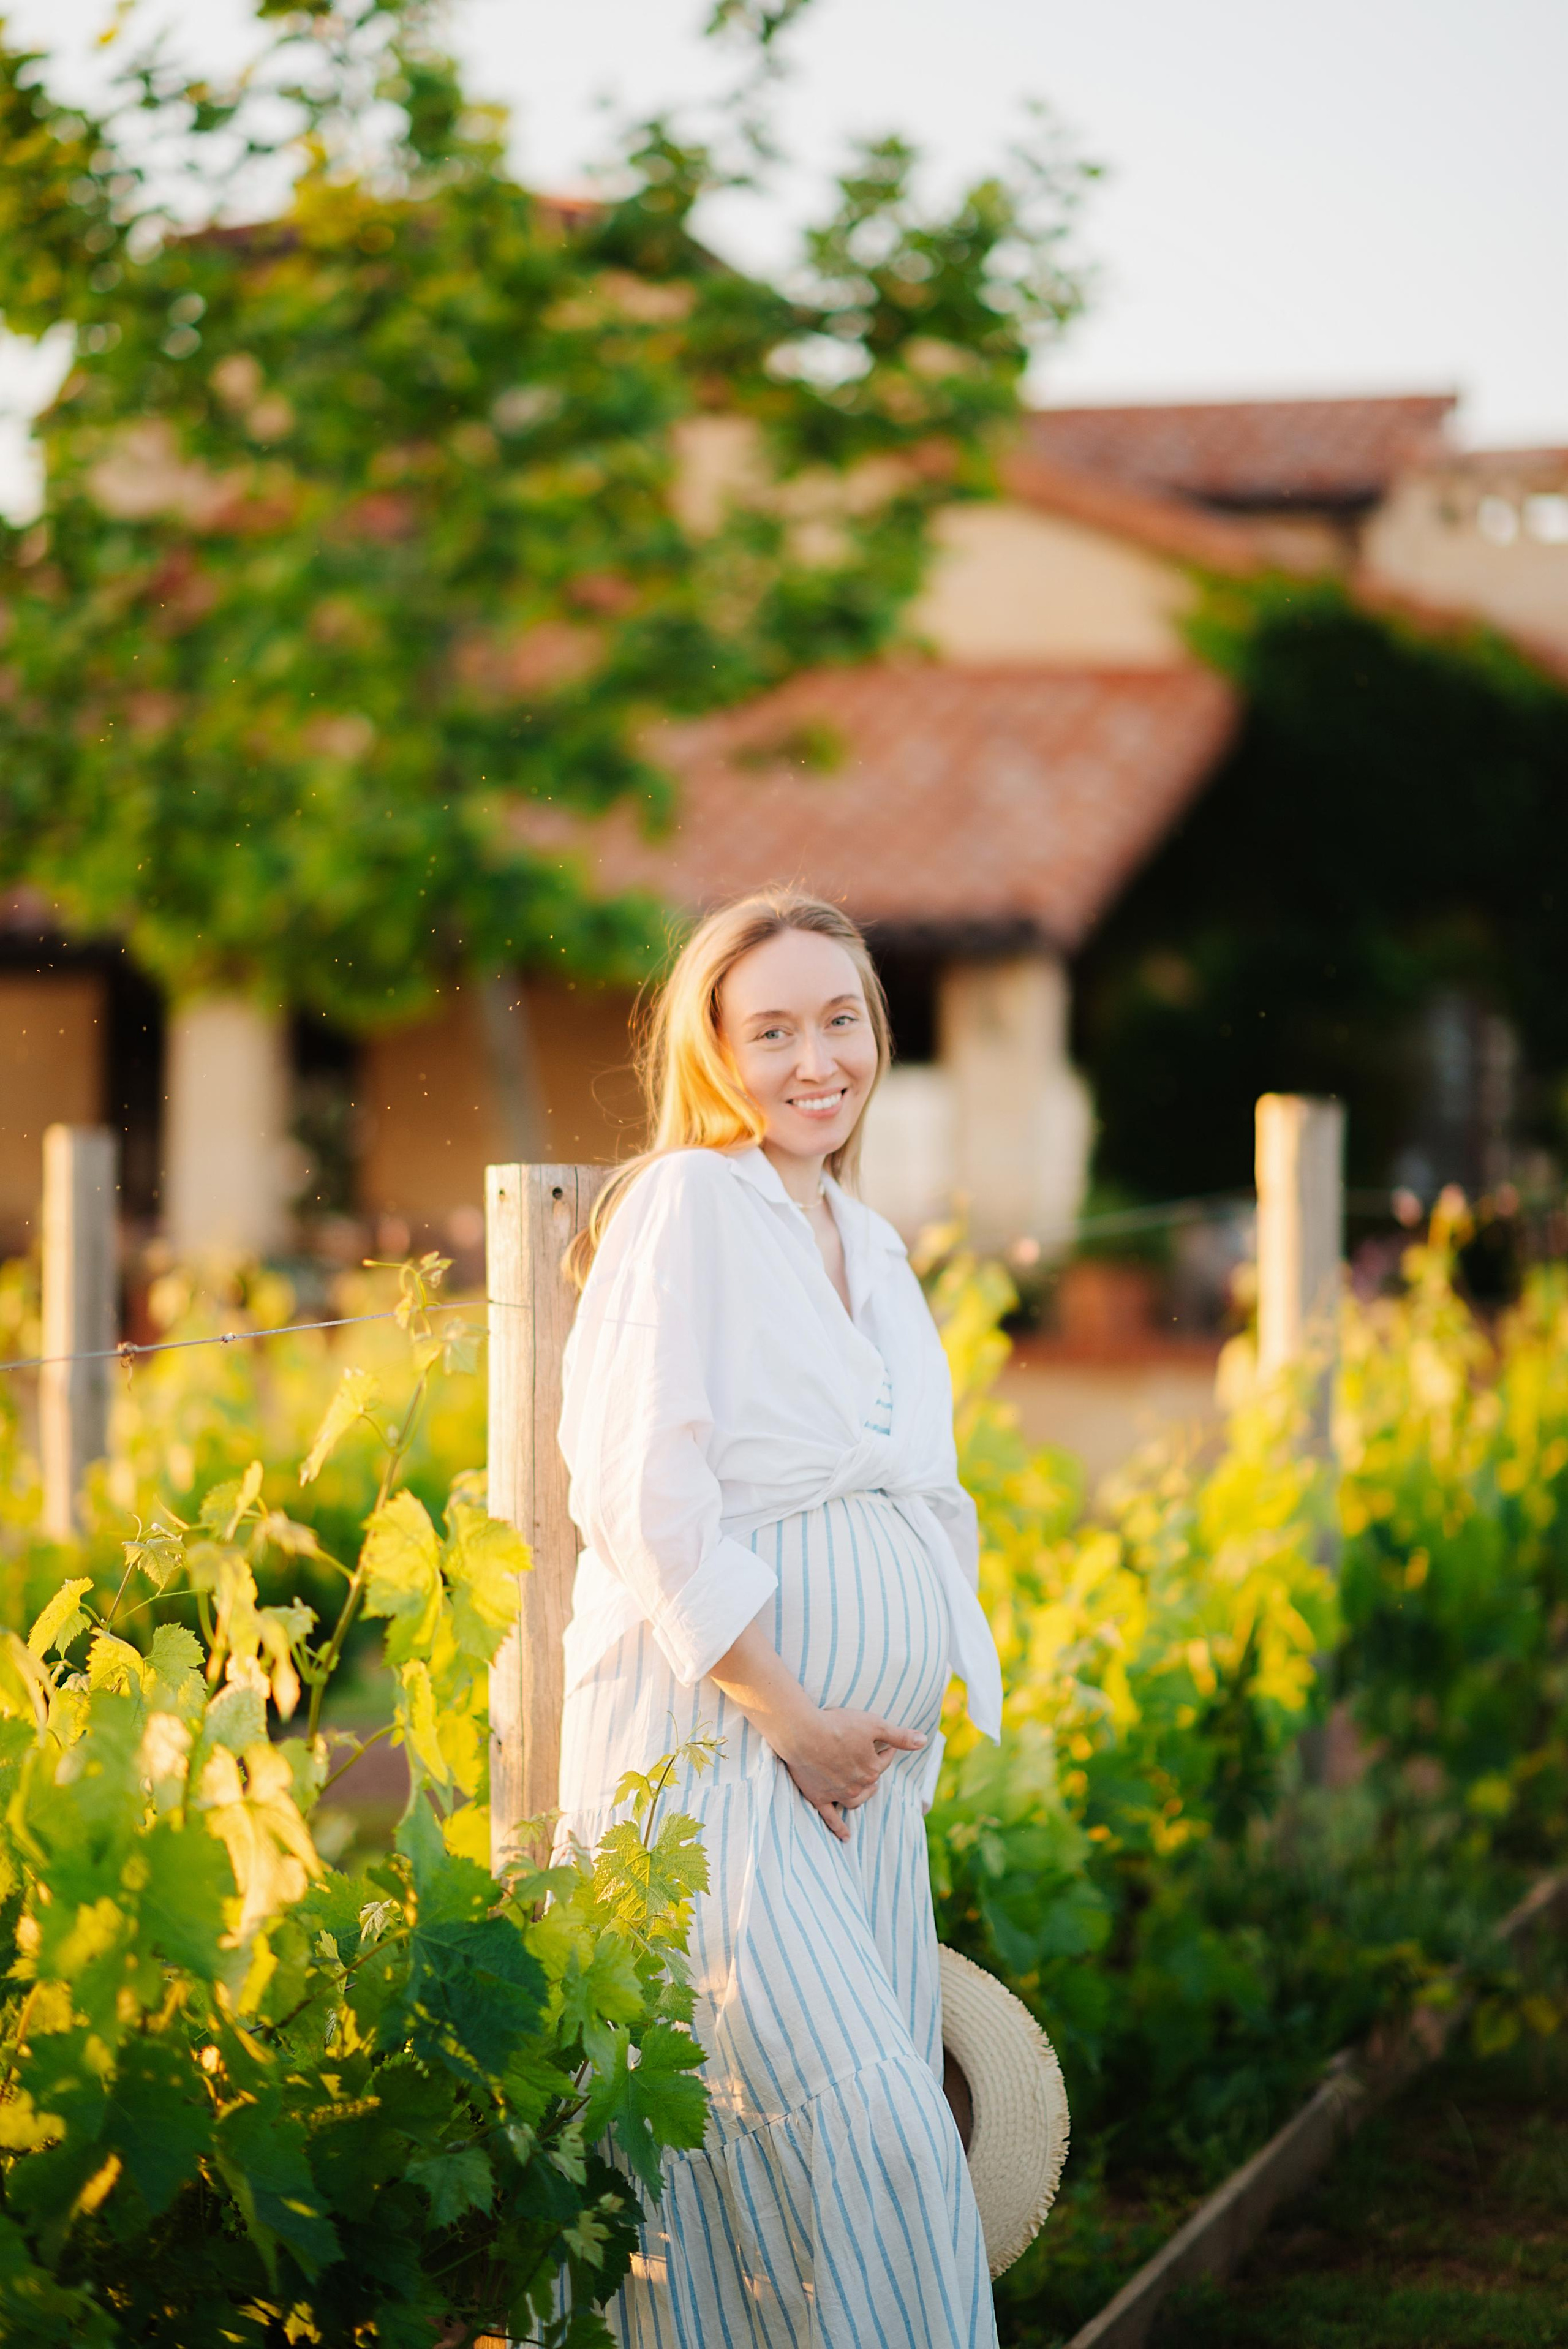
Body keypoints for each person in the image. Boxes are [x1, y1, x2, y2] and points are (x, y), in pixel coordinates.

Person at [556, 886, 1003, 2348]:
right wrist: (791, 1714)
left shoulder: (865, 1240)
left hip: (857, 1785)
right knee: (872, 2136)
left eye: (841, 1019)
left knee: (797, 2185)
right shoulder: (686, 1201)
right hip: (722, 1751)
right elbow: (640, 1484)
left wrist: (895, 1704)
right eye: (771, 1030)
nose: (816, 1058)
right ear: (710, 1052)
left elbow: (919, 1495)